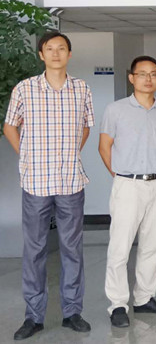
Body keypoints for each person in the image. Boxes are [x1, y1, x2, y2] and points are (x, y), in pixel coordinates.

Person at [4, 32, 94, 340]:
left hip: (70, 181)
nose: (56, 53)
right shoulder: (25, 88)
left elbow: (86, 127)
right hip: (36, 182)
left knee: (72, 249)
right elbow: (10, 126)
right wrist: (26, 156)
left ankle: (72, 312)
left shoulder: (81, 88)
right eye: (50, 49)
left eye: (61, 48)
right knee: (35, 250)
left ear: (69, 54)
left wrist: (71, 153)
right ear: (41, 55)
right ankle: (33, 317)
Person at [99, 56, 156, 327]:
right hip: (128, 185)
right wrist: (120, 174)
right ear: (131, 78)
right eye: (142, 74)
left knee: (152, 244)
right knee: (120, 246)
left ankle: (144, 298)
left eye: (153, 74)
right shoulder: (116, 110)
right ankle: (118, 304)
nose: (148, 79)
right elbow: (104, 146)